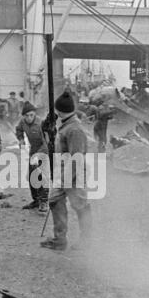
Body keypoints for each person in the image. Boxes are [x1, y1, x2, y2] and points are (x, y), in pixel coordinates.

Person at [41, 92, 92, 251]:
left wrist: (66, 180)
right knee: (55, 202)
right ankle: (59, 240)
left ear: (59, 110)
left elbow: (76, 157)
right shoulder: (66, 125)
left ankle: (87, 240)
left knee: (80, 206)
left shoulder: (74, 129)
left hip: (74, 176)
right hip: (63, 174)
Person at [16, 101, 49, 213]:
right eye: (26, 115)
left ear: (35, 114)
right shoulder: (22, 122)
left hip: (44, 151)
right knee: (31, 177)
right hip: (33, 150)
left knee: (41, 177)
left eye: (31, 115)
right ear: (23, 116)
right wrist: (20, 139)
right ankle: (36, 200)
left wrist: (39, 155)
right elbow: (18, 129)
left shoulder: (41, 124)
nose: (29, 118)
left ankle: (44, 202)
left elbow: (47, 142)